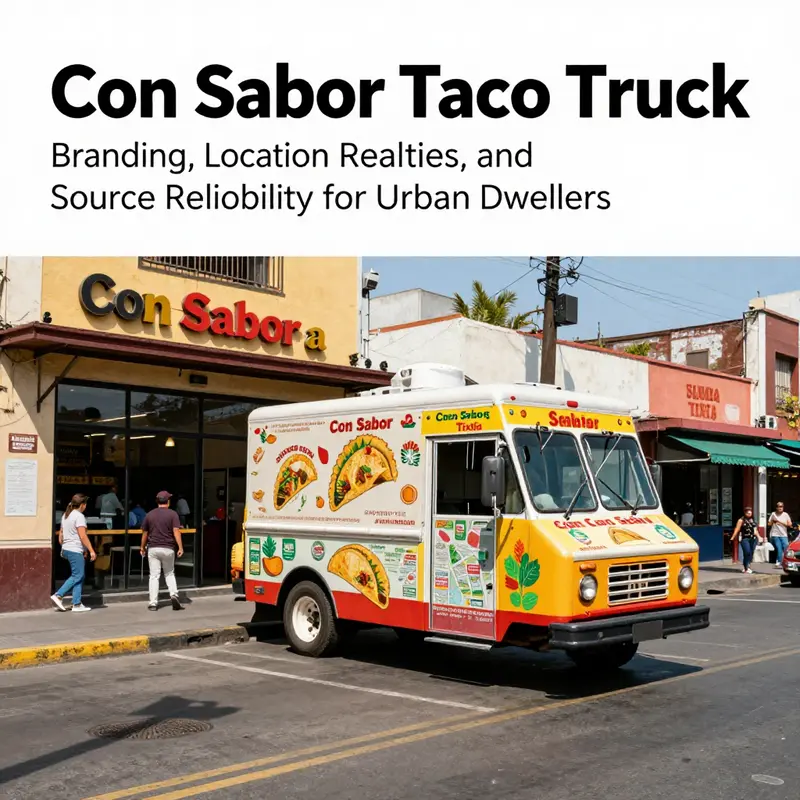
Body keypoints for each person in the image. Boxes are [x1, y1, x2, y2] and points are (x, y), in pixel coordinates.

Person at [51, 493, 96, 612]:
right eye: (85, 504)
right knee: (78, 575)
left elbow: (61, 535)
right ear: (82, 505)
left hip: (67, 549)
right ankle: (59, 595)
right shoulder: (79, 516)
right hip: (74, 550)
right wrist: (91, 550)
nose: (86, 506)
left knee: (79, 576)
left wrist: (83, 549)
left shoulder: (66, 515)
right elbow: (82, 536)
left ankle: (77, 603)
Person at [140, 490, 184, 611]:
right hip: (168, 548)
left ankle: (153, 603)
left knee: (154, 575)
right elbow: (176, 531)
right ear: (168, 501)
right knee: (169, 573)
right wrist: (180, 547)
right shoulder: (173, 514)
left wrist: (142, 547)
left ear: (157, 501)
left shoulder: (150, 514)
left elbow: (145, 533)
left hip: (153, 548)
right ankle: (173, 594)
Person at [731, 506, 764, 574]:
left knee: (751, 553)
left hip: (753, 539)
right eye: (747, 512)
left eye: (750, 511)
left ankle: (747, 565)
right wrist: (733, 537)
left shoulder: (753, 520)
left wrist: (759, 537)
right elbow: (737, 529)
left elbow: (755, 530)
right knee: (747, 552)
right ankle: (746, 568)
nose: (749, 513)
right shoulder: (741, 520)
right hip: (745, 538)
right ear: (745, 512)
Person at [768, 501, 792, 569]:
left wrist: (780, 522)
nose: (780, 508)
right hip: (775, 534)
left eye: (781, 506)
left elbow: (790, 525)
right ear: (776, 507)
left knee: (786, 547)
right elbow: (769, 524)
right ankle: (779, 561)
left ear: (783, 507)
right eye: (778, 506)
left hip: (783, 534)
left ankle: (788, 561)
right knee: (779, 548)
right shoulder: (773, 514)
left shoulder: (785, 515)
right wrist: (773, 521)